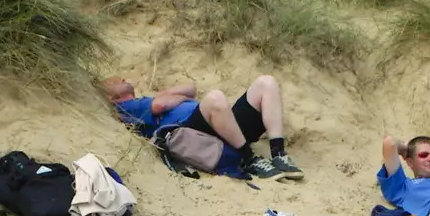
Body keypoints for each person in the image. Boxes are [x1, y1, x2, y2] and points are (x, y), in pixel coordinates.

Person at [102, 73, 302, 181]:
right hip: (193, 130)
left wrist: (166, 96)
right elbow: (161, 105)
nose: (121, 78)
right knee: (215, 98)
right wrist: (169, 99)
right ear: (110, 96)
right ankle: (249, 158)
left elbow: (190, 87)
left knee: (266, 82)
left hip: (223, 124)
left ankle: (278, 153)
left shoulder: (147, 99)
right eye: (114, 81)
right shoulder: (126, 107)